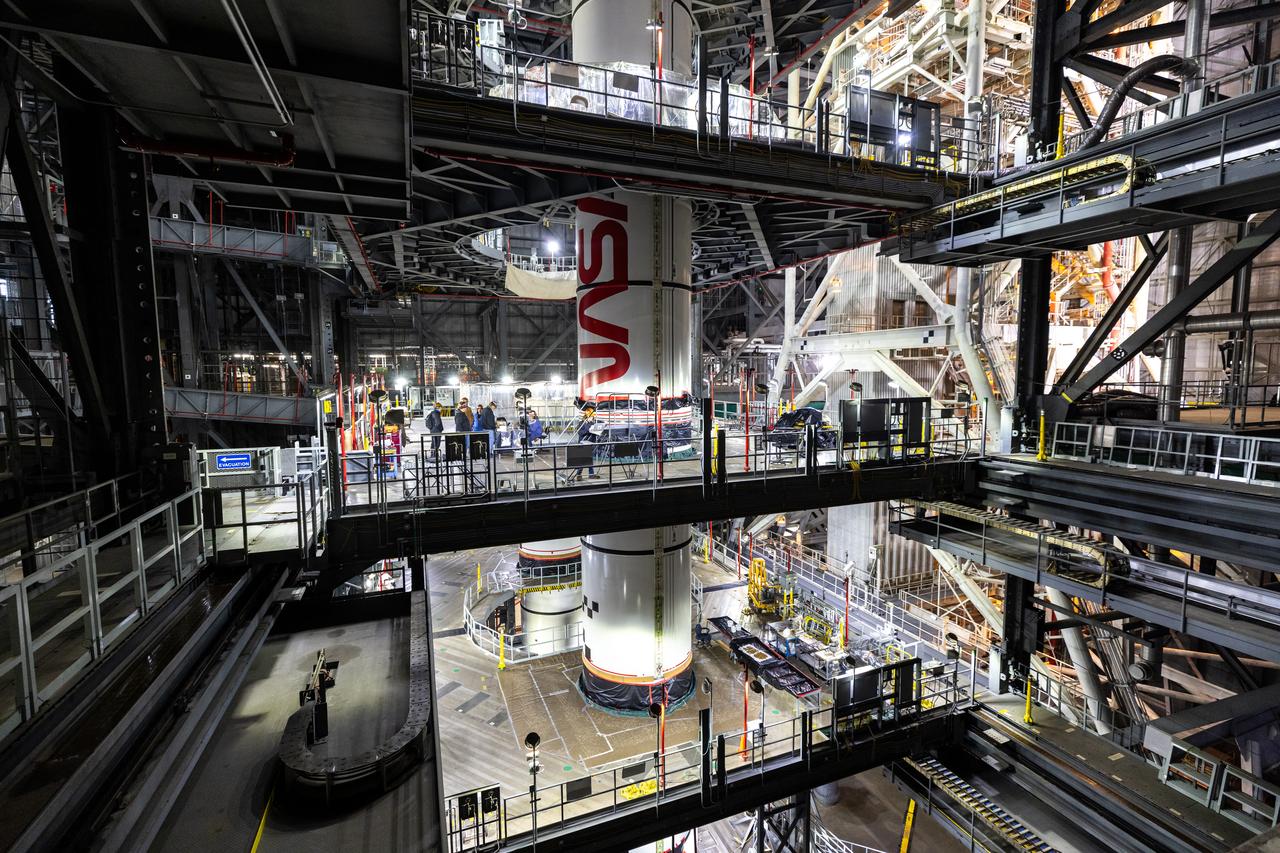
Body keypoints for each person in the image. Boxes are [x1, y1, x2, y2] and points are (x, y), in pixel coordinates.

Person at [577, 406, 600, 478]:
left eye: (593, 417)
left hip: (590, 443)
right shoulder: (581, 423)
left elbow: (594, 434)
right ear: (587, 416)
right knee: (584, 459)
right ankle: (580, 474)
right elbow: (580, 433)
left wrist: (597, 431)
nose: (592, 419)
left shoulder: (593, 423)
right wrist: (588, 430)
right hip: (583, 443)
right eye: (591, 417)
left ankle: (586, 474)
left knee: (588, 459)